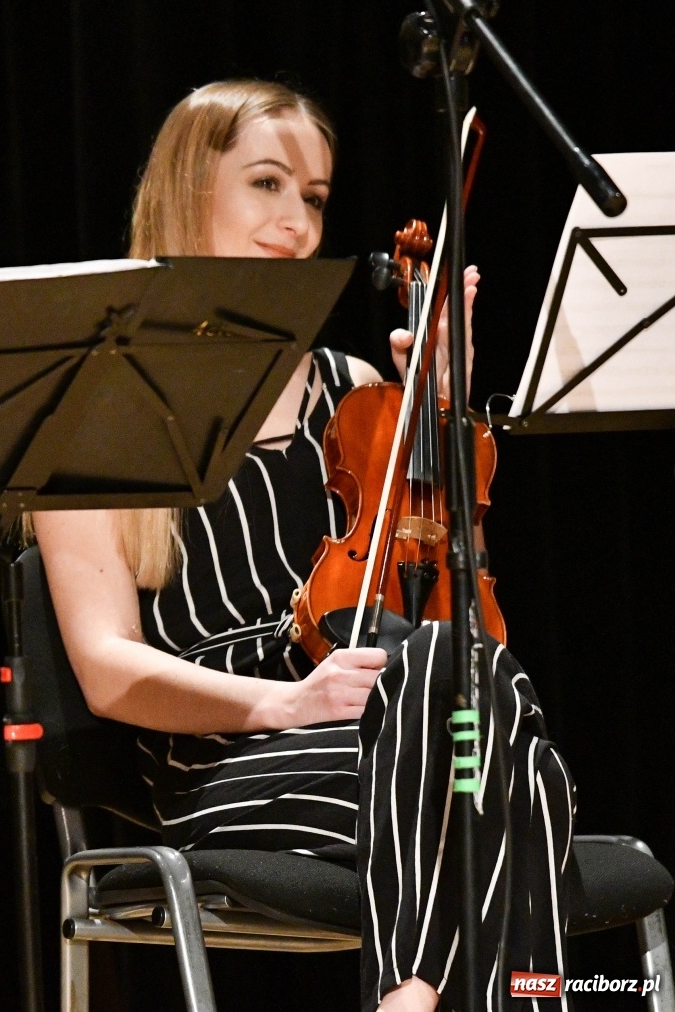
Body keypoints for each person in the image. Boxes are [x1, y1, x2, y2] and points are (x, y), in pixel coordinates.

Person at [32, 80, 576, 1012]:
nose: (294, 221)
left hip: (387, 722)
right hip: (221, 751)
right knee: (517, 773)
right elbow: (106, 668)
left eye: (314, 198)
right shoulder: (90, 407)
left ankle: (408, 998)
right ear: (187, 189)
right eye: (268, 184)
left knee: (476, 700)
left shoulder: (353, 389)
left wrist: (440, 415)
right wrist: (288, 699)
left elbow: (441, 592)